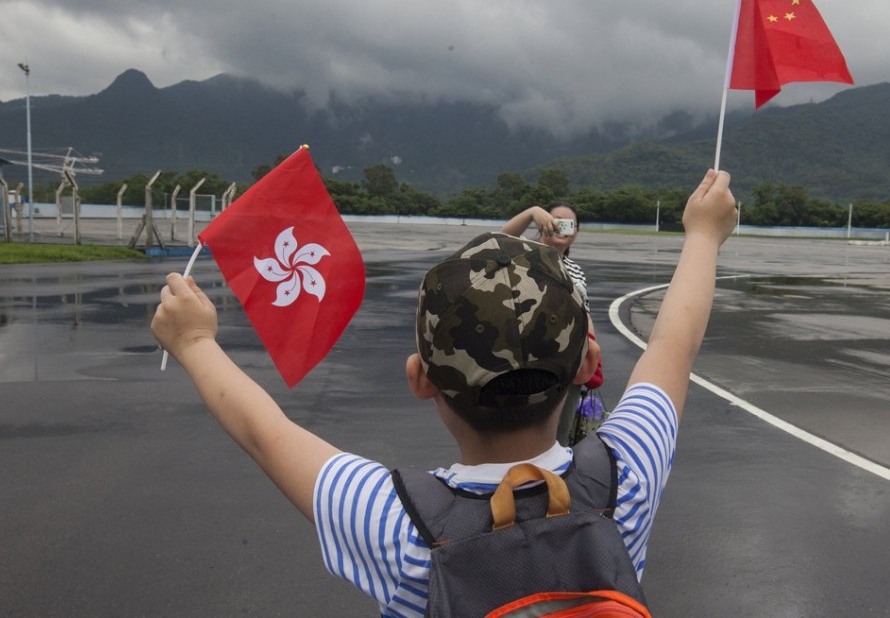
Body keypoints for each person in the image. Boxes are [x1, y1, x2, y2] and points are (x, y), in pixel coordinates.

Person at [150, 169, 737, 617]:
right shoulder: (623, 481)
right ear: (588, 363)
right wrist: (704, 234)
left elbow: (264, 432)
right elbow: (671, 348)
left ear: (419, 377)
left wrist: (196, 342)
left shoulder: (400, 526)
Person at [502, 202, 597, 443]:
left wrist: (593, 355)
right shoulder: (524, 254)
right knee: (518, 429)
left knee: (559, 434)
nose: (559, 227)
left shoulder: (575, 270)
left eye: (567, 224)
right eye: (554, 220)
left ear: (575, 233)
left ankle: (555, 478)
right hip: (527, 360)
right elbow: (501, 237)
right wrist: (532, 212)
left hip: (568, 362)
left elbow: (585, 311)